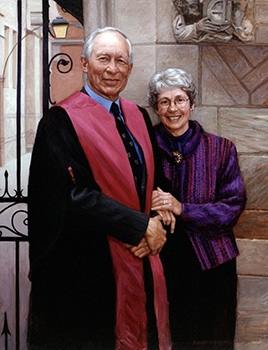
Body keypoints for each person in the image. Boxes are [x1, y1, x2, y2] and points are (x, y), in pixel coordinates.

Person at [27, 27, 171, 350]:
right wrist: (141, 226)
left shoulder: (138, 116)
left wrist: (158, 222)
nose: (112, 68)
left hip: (139, 261)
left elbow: (153, 183)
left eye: (121, 61)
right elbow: (72, 197)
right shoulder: (59, 122)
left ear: (130, 69)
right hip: (87, 276)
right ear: (84, 63)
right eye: (103, 58)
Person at [147, 68, 246, 349]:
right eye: (164, 101)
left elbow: (232, 207)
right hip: (163, 260)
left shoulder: (221, 148)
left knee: (211, 341)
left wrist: (182, 208)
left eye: (179, 99)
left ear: (191, 104)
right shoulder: (144, 147)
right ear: (156, 108)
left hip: (213, 263)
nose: (172, 108)